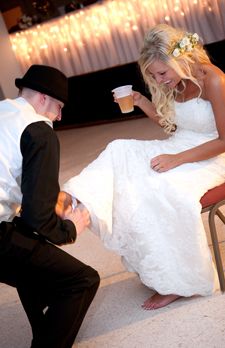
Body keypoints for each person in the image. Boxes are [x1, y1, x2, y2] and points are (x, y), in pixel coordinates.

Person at [58, 24, 225, 310]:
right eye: (153, 75)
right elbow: (173, 126)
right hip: (180, 146)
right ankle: (76, 201)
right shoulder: (174, 82)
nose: (159, 80)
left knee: (154, 187)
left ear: (179, 60)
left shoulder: (214, 80)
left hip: (212, 157)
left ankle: (175, 281)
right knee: (120, 150)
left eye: (162, 73)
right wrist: (141, 101)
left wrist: (177, 159)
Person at [0, 64, 100, 348]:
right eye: (58, 107)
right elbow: (37, 219)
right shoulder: (39, 130)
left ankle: (42, 333)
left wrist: (44, 198)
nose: (59, 116)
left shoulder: (4, 111)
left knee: (31, 257)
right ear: (43, 98)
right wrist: (69, 229)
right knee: (82, 280)